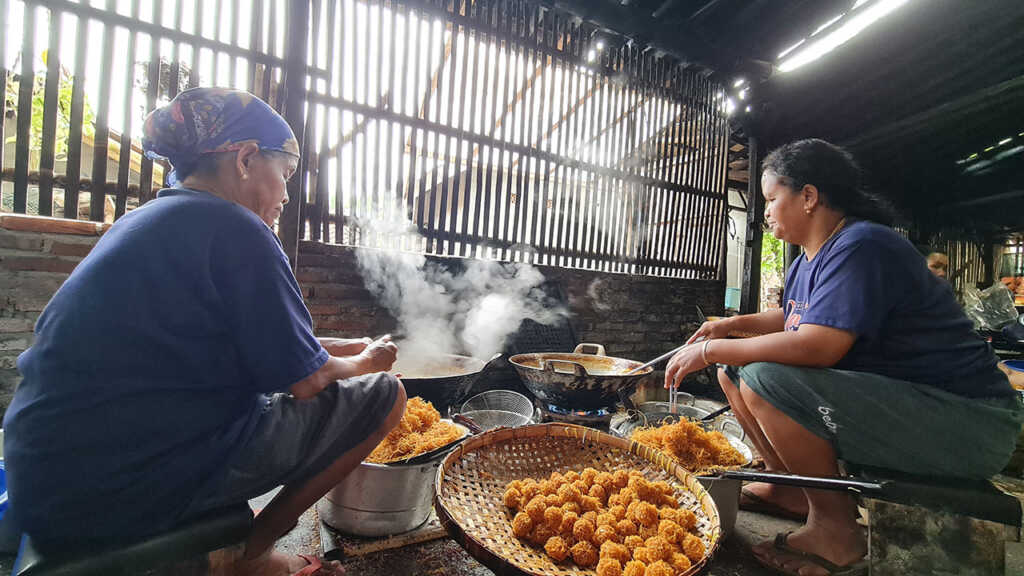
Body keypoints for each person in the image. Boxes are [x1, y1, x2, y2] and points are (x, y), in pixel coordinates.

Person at [3, 88, 407, 576]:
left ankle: (240, 549)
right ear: (246, 158)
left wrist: (344, 348)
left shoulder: (145, 221)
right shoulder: (237, 228)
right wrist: (367, 363)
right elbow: (306, 381)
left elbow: (265, 350)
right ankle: (252, 548)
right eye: (284, 175)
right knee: (386, 395)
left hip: (47, 478)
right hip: (124, 485)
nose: (285, 195)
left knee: (268, 403)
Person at [664, 139, 1022, 576]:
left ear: (809, 197)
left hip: (970, 423)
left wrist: (710, 347)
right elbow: (793, 318)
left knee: (764, 378)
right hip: (917, 407)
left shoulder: (862, 245)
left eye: (773, 199)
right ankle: (788, 487)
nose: (768, 211)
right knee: (734, 371)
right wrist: (727, 327)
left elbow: (817, 344)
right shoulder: (807, 260)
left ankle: (836, 529)